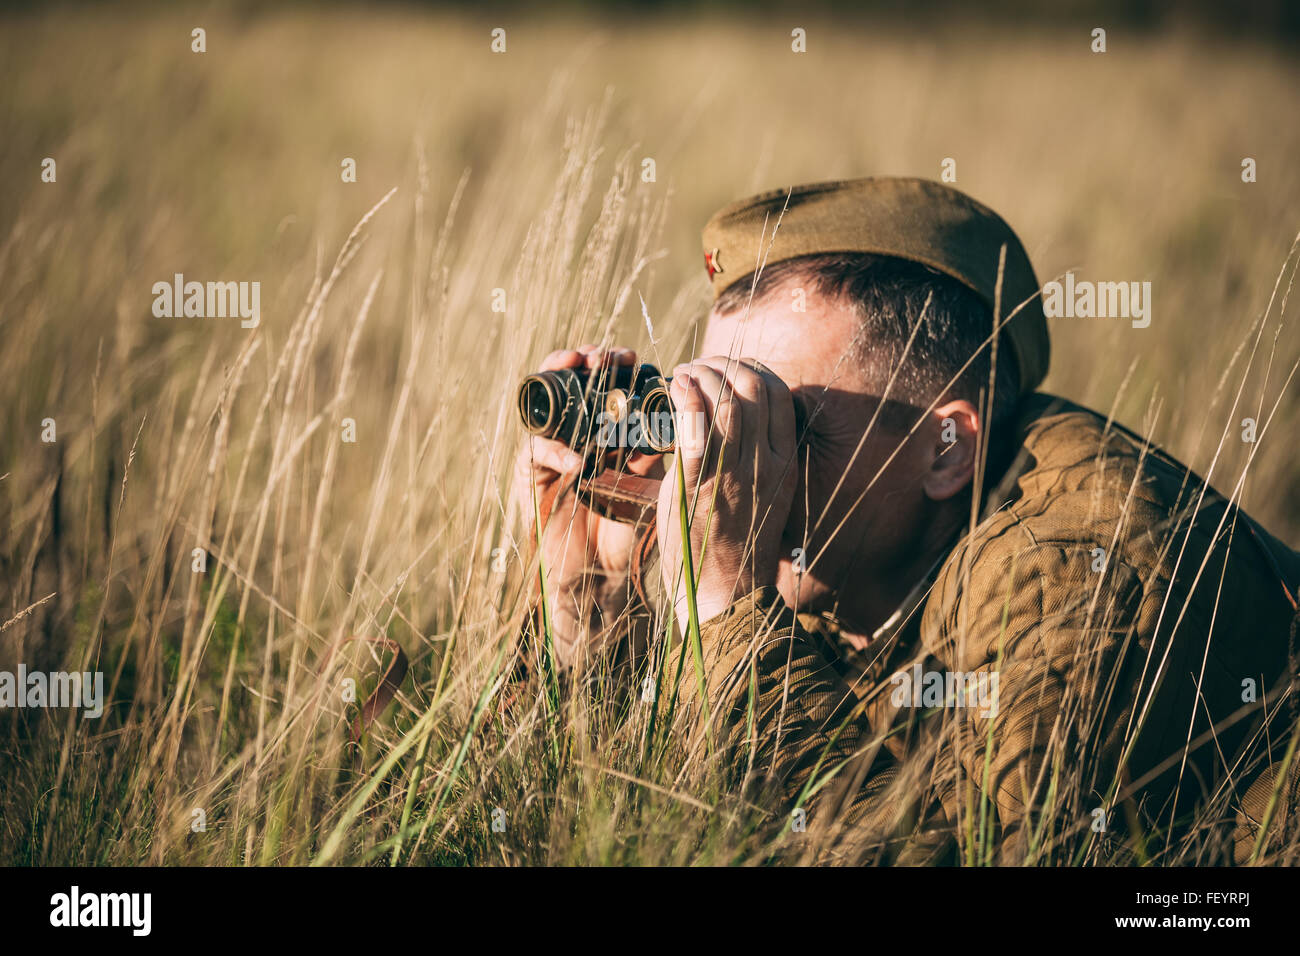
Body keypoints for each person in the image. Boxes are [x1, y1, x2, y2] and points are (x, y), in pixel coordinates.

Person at [512, 177, 1300, 863]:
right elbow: (644, 825)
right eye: (730, 414)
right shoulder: (852, 549)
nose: (745, 468)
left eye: (787, 428)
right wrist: (590, 599)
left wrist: (722, 606)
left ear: (947, 449)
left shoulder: (1076, 573)